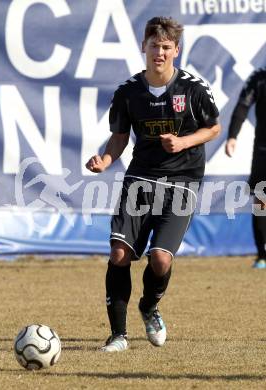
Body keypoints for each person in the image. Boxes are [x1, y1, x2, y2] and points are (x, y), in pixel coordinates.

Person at [86, 16, 221, 352]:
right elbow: (118, 138)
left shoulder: (193, 89)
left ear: (176, 50)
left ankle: (149, 307)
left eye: (165, 47)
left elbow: (213, 128)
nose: (159, 52)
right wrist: (105, 160)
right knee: (119, 253)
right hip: (140, 179)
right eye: (153, 46)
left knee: (160, 259)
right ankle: (118, 336)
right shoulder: (128, 92)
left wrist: (183, 142)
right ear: (143, 47)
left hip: (181, 182)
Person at [225, 67, 266, 269]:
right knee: (261, 202)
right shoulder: (259, 78)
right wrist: (232, 135)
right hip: (263, 150)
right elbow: (243, 105)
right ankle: (262, 255)